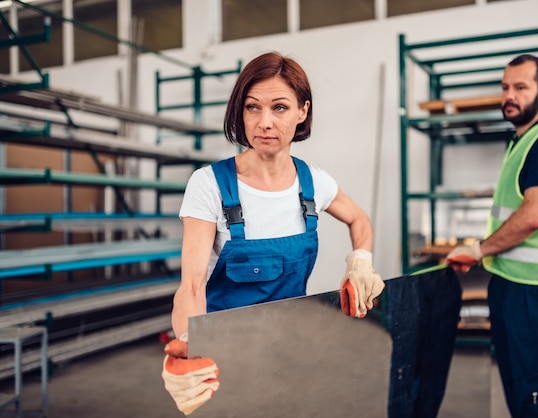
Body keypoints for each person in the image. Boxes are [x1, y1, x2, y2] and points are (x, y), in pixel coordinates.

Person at [161, 51, 385, 415]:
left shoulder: (313, 183)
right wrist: (189, 344)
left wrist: (361, 260)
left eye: (279, 108)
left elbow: (359, 219)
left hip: (291, 349)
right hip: (224, 356)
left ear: (302, 111)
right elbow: (192, 285)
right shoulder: (209, 185)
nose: (264, 122)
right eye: (252, 107)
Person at [446, 54, 538, 418]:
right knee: (521, 392)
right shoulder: (521, 141)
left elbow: (535, 214)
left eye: (521, 87)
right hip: (511, 283)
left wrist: (479, 249)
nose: (509, 95)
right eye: (506, 87)